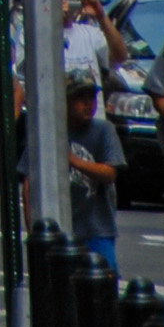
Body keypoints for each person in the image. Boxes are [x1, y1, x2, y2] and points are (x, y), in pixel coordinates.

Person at [24, 70, 124, 274]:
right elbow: (29, 183)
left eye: (92, 98)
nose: (88, 104)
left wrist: (74, 161)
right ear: (65, 101)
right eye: (80, 98)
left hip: (97, 228)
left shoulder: (104, 130)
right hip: (60, 229)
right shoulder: (48, 131)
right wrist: (33, 229)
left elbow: (110, 173)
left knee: (103, 275)